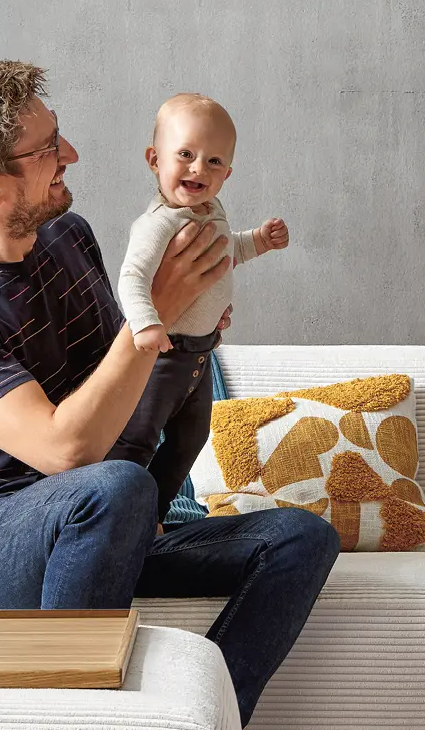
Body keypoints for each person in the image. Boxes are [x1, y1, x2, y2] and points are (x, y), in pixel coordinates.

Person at [0, 61, 337, 721]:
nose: (69, 155)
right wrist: (151, 315)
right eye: (46, 150)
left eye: (59, 137)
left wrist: (187, 333)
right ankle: (79, 715)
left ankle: (203, 711)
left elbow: (121, 388)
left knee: (301, 538)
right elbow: (64, 451)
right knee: (114, 487)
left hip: (109, 515)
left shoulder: (68, 238)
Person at [108, 93, 291, 509]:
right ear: (155, 159)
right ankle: (119, 513)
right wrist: (146, 323)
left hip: (201, 355)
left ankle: (154, 511)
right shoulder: (158, 224)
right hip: (162, 353)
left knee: (192, 437)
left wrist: (258, 241)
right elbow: (131, 277)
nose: (197, 168)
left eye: (213, 161)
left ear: (228, 172)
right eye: (185, 154)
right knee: (137, 436)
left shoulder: (212, 210)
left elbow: (225, 253)